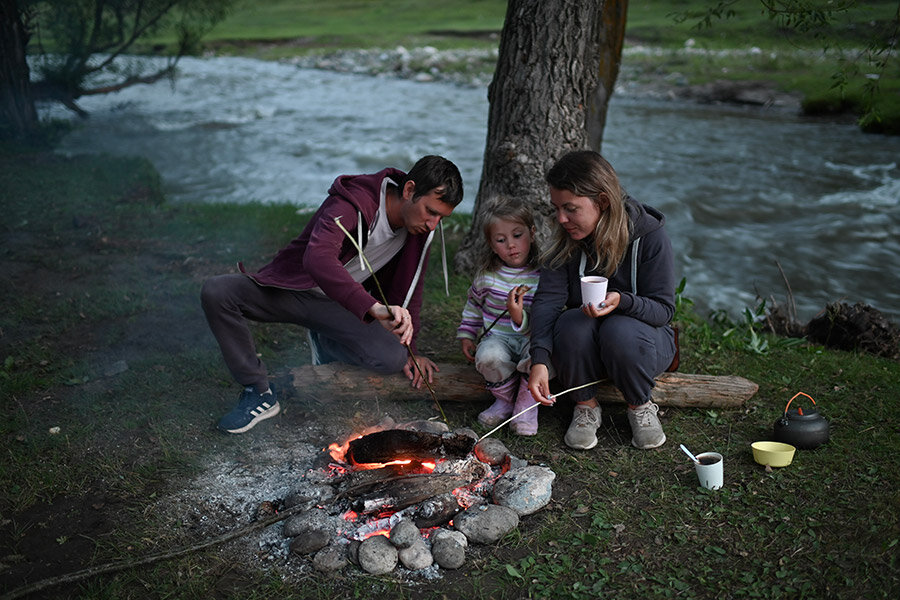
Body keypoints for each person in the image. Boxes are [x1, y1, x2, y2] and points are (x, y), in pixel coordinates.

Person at [202, 155, 464, 434]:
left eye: (441, 217)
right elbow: (317, 258)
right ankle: (258, 391)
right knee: (218, 292)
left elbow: (412, 287)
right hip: (293, 290)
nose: (434, 223)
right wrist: (373, 307)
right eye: (430, 211)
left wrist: (412, 348)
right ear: (410, 190)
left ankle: (326, 340)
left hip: (343, 306)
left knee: (392, 358)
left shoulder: (419, 228)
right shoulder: (354, 202)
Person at [528, 150, 677, 450]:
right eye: (556, 208)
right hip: (587, 349)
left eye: (570, 208)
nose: (561, 218)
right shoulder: (565, 242)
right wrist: (540, 360)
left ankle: (640, 406)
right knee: (571, 322)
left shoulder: (650, 237)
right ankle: (585, 406)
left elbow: (664, 311)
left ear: (602, 201)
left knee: (618, 329)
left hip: (643, 343)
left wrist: (623, 301)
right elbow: (547, 303)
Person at [457, 199, 542, 435]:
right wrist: (467, 333)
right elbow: (474, 303)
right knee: (489, 357)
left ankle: (526, 406)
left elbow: (547, 315)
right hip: (498, 338)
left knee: (540, 357)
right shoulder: (488, 277)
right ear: (492, 245)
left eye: (517, 235)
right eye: (501, 240)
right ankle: (505, 400)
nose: (511, 246)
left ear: (532, 234)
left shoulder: (542, 276)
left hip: (531, 338)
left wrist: (519, 317)